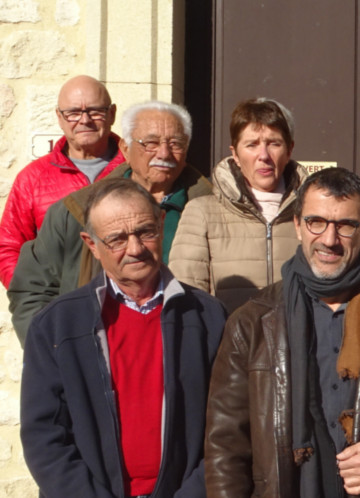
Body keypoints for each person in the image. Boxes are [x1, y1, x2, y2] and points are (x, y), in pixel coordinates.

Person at [204, 168, 360, 497]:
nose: (329, 240)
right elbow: (225, 444)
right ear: (297, 225)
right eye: (316, 222)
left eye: (346, 226)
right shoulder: (252, 321)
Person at [21, 178, 227, 497]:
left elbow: (227, 431)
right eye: (117, 239)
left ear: (161, 225)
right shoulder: (56, 326)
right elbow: (45, 437)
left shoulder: (208, 317)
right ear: (92, 244)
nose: (135, 249)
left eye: (145, 231)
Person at [8, 100, 212, 344]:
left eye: (175, 143)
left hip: (185, 355)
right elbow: (32, 291)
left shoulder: (214, 212)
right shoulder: (74, 213)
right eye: (151, 142)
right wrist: (56, 351)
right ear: (125, 148)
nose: (164, 153)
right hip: (95, 358)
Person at [170, 98, 308, 311]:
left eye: (274, 143)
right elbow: (187, 299)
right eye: (251, 144)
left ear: (289, 150)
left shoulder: (313, 213)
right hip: (229, 342)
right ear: (235, 153)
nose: (264, 156)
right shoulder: (202, 213)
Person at [0, 75, 126, 288]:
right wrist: (32, 304)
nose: (84, 120)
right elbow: (8, 248)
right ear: (59, 117)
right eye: (73, 113)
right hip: (56, 310)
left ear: (111, 114)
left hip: (128, 309)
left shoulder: (135, 169)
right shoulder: (32, 178)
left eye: (95, 111)